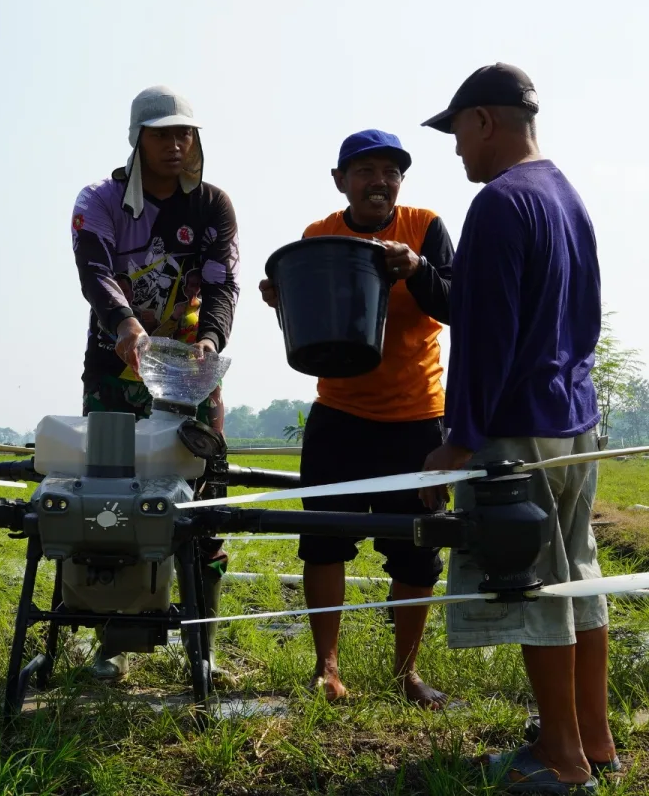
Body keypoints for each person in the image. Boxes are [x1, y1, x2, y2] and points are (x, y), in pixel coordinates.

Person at [419, 63, 614, 793]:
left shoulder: (500, 204)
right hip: (574, 419)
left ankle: (561, 759)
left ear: (483, 122)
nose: (457, 150)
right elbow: (585, 317)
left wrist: (458, 440)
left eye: (457, 134)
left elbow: (486, 336)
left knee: (529, 585)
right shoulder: (567, 196)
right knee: (577, 578)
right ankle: (594, 738)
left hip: (517, 431)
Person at [258, 129, 455, 707]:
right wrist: (283, 298)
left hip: (417, 417)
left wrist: (416, 268)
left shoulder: (423, 226)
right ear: (341, 180)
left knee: (417, 549)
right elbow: (313, 324)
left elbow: (454, 301)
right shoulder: (320, 236)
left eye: (391, 172)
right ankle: (327, 667)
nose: (380, 181)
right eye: (366, 170)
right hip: (340, 413)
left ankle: (407, 673)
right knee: (323, 542)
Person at [70, 85, 240, 679]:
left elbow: (223, 283)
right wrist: (127, 328)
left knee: (205, 505)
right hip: (116, 375)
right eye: (163, 133)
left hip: (191, 381)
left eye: (185, 133)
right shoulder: (101, 201)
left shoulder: (213, 207)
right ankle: (111, 648)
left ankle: (202, 649)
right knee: (112, 508)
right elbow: (96, 273)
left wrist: (211, 340)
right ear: (137, 139)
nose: (177, 144)